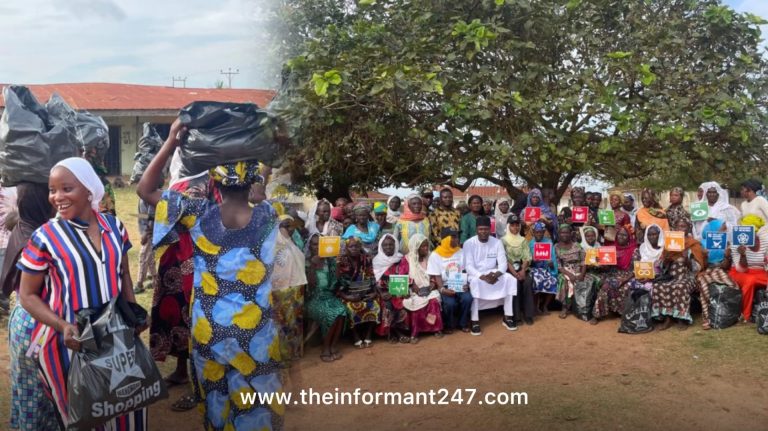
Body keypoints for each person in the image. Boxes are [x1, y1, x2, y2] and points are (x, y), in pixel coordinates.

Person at [139, 121, 283, 430]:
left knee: (217, 404)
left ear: (213, 181)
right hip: (256, 332)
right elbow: (261, 193)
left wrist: (171, 141)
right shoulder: (269, 215)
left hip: (209, 329)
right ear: (253, 182)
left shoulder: (196, 213)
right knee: (256, 407)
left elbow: (145, 190)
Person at [19, 157, 146, 429]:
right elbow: (26, 295)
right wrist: (62, 325)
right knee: (84, 419)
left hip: (115, 340)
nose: (57, 197)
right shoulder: (45, 237)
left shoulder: (114, 227)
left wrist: (133, 312)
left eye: (67, 188)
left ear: (89, 189)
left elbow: (123, 274)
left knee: (127, 410)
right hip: (68, 345)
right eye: (52, 190)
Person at [3, 182, 58, 431]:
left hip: (22, 320)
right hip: (40, 324)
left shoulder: (22, 226)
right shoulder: (41, 241)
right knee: (45, 392)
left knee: (27, 389)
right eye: (52, 196)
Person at [464, 216, 518, 335]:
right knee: (475, 283)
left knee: (509, 279)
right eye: (480, 229)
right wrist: (483, 277)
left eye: (486, 229)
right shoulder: (469, 243)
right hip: (476, 275)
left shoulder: (497, 242)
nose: (483, 231)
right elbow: (468, 266)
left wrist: (496, 275)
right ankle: (475, 320)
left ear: (490, 229)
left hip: (494, 273)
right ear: (476, 230)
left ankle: (508, 316)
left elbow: (503, 264)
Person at [652, 218, 706, 330]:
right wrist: (666, 260)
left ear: (688, 228)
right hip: (671, 276)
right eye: (678, 226)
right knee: (658, 286)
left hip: (688, 276)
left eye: (683, 226)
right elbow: (661, 265)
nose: (681, 229)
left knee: (681, 286)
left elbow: (698, 267)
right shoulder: (669, 243)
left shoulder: (693, 244)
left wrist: (687, 260)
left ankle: (682, 318)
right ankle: (667, 318)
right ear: (675, 228)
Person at [272, 214, 308, 366]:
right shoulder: (272, 244)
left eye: (291, 226)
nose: (290, 229)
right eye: (286, 225)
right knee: (281, 322)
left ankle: (295, 351)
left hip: (297, 287)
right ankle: (283, 355)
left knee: (295, 321)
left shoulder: (295, 243)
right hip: (279, 290)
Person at [305, 234, 346, 362]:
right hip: (314, 299)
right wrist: (313, 265)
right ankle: (326, 348)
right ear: (310, 246)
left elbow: (336, 282)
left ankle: (333, 345)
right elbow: (310, 286)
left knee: (342, 310)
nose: (317, 247)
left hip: (328, 296)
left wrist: (337, 264)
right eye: (314, 244)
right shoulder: (306, 261)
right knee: (331, 313)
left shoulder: (330, 261)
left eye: (320, 244)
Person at [337, 237, 381, 348]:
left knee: (375, 305)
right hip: (348, 294)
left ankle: (368, 334)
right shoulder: (341, 261)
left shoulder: (366, 259)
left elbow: (371, 276)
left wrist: (374, 292)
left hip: (365, 291)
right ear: (346, 248)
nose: (354, 248)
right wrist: (347, 296)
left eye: (356, 246)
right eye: (351, 246)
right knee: (350, 308)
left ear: (360, 247)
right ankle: (355, 335)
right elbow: (338, 282)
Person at [695, 219, 739, 330]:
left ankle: (731, 312)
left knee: (734, 286)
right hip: (707, 270)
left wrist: (727, 256)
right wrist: (705, 256)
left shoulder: (726, 243)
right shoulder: (702, 244)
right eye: (722, 228)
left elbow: (725, 266)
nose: (724, 230)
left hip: (720, 269)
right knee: (703, 284)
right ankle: (707, 318)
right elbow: (703, 266)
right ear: (714, 229)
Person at [428, 228, 472, 334]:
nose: (457, 239)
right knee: (450, 303)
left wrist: (466, 284)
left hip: (460, 283)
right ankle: (449, 324)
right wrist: (442, 289)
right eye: (454, 237)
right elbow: (437, 276)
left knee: (467, 298)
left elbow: (465, 270)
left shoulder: (460, 252)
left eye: (457, 236)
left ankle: (463, 323)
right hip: (445, 285)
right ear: (446, 240)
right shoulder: (435, 255)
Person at [590, 226, 638, 324]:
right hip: (611, 273)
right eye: (619, 234)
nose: (621, 237)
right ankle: (606, 310)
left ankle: (597, 315)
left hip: (627, 275)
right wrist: (601, 262)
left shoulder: (634, 250)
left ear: (629, 238)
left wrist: (624, 280)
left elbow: (635, 270)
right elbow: (607, 267)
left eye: (624, 235)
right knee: (597, 281)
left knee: (607, 286)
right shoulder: (611, 248)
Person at [726, 214, 768, 322]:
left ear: (756, 231)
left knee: (755, 278)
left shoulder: (765, 241)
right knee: (750, 280)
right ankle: (745, 315)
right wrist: (743, 255)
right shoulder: (736, 243)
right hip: (739, 272)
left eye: (752, 231)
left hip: (759, 272)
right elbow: (741, 269)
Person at [403, 234, 444, 342]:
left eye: (427, 246)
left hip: (429, 289)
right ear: (416, 247)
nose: (426, 248)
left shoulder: (431, 257)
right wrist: (412, 284)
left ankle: (436, 328)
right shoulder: (407, 259)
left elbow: (435, 273)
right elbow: (403, 275)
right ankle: (415, 332)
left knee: (434, 302)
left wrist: (432, 283)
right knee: (416, 305)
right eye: (423, 246)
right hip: (414, 291)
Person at [372, 234, 410, 343]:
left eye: (391, 245)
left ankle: (397, 331)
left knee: (403, 303)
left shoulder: (401, 259)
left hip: (398, 290)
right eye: (385, 245)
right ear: (381, 246)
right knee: (387, 305)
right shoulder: (376, 261)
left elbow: (404, 276)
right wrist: (380, 293)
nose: (388, 247)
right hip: (382, 292)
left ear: (395, 245)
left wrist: (398, 291)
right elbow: (373, 281)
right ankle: (391, 332)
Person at [502, 214, 533, 325]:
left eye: (517, 225)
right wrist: (515, 274)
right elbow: (504, 259)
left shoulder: (523, 240)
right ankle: (516, 316)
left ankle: (528, 315)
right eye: (512, 225)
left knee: (528, 282)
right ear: (508, 226)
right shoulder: (503, 241)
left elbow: (527, 257)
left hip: (522, 269)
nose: (515, 228)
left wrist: (523, 270)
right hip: (509, 270)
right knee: (514, 284)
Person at [554, 224, 587, 319]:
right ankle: (565, 307)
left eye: (567, 232)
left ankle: (583, 308)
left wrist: (582, 274)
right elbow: (559, 265)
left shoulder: (577, 245)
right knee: (563, 280)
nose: (564, 234)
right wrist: (570, 275)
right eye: (562, 232)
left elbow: (584, 261)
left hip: (578, 270)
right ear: (559, 234)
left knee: (589, 281)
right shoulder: (556, 247)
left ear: (571, 233)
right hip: (565, 270)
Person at [528, 221, 558, 314]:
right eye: (537, 232)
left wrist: (551, 264)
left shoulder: (548, 242)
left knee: (553, 281)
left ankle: (544, 306)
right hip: (534, 269)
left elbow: (553, 258)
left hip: (546, 269)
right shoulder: (530, 243)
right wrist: (532, 260)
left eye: (541, 232)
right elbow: (527, 259)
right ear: (533, 232)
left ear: (544, 232)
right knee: (537, 281)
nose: (539, 234)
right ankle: (535, 306)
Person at [135, 197, 157, 294]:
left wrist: (146, 233)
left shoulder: (148, 196)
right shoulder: (143, 195)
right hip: (146, 231)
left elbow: (152, 217)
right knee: (150, 257)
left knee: (143, 255)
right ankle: (156, 280)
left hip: (149, 233)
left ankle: (139, 284)